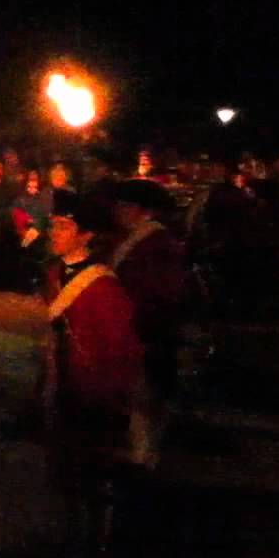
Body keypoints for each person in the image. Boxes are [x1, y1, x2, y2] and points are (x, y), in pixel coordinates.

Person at [40, 190, 143, 558]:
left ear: (85, 235)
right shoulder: (53, 274)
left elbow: (120, 352)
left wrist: (107, 397)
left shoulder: (103, 287)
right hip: (61, 393)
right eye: (54, 225)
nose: (54, 233)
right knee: (66, 481)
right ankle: (68, 554)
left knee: (92, 483)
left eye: (64, 226)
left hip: (91, 398)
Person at [110, 180, 185, 458]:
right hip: (140, 332)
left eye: (124, 206)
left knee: (144, 406)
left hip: (147, 334)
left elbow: (156, 294)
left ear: (142, 210)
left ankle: (142, 464)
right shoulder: (139, 240)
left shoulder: (154, 245)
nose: (118, 212)